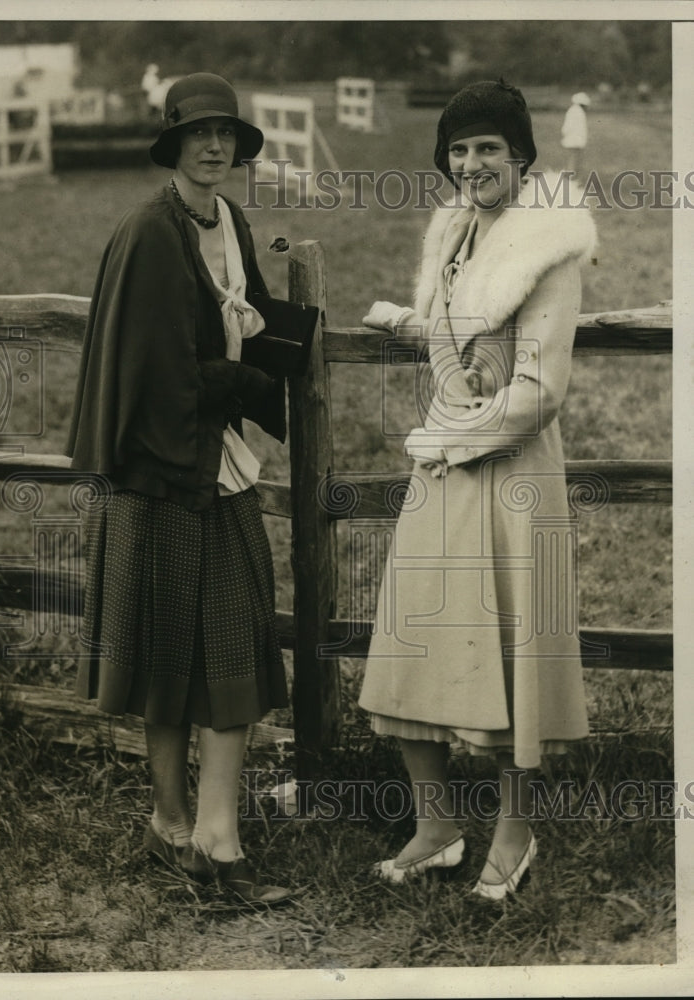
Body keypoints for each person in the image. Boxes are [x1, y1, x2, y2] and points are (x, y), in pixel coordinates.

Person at [358, 80, 595, 900]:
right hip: (444, 463)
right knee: (413, 638)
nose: (471, 164)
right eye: (458, 150)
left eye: (487, 147)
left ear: (521, 154)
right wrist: (403, 320)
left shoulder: (550, 245)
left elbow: (538, 390)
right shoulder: (456, 230)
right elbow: (459, 333)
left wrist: (450, 441)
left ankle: (513, 833)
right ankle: (434, 827)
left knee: (510, 651)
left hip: (510, 470)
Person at [67, 73, 291, 905]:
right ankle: (184, 831)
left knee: (227, 638)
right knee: (173, 653)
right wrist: (232, 385)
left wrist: (272, 367)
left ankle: (205, 834)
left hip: (215, 465)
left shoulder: (229, 220)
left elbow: (251, 321)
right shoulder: (149, 235)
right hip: (158, 474)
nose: (214, 147)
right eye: (199, 134)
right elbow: (151, 377)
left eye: (226, 134)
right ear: (173, 145)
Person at [560, 91, 591, 177]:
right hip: (573, 141)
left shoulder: (576, 110)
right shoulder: (575, 111)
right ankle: (570, 179)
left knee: (574, 161)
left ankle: (571, 178)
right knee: (572, 162)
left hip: (575, 141)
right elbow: (567, 127)